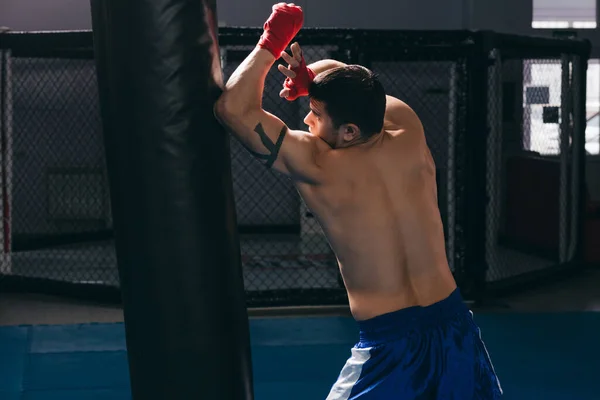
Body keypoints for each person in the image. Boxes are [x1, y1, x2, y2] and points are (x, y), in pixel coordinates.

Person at [214, 3, 503, 399]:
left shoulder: (318, 164)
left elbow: (232, 107)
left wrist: (272, 40)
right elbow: (356, 79)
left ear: (349, 131)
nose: (307, 120)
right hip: (455, 327)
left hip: (391, 347)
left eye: (314, 113)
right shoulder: (407, 126)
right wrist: (311, 80)